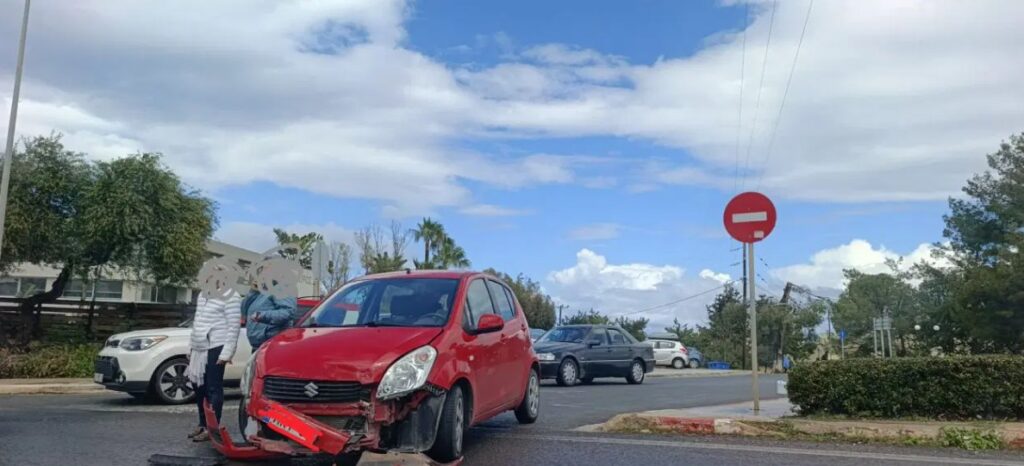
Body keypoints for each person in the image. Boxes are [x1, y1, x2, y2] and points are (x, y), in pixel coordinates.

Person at [187, 270, 242, 442]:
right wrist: (191, 347)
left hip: (217, 345)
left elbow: (234, 327)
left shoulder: (231, 296)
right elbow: (197, 322)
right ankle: (202, 423)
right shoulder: (203, 295)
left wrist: (227, 353)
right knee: (199, 387)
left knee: (213, 387)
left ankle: (213, 428)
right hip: (200, 347)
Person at [241, 278, 297, 351]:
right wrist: (253, 292)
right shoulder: (262, 291)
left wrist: (262, 316)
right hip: (259, 345)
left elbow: (288, 312)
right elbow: (244, 311)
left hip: (274, 345)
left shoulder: (282, 288)